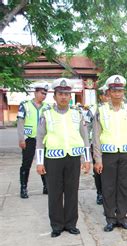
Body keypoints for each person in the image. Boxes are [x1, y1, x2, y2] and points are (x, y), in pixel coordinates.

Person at [35, 78, 91, 237]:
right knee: (55, 192)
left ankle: (71, 223)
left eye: (67, 94)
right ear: (55, 96)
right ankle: (57, 225)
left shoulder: (77, 114)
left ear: (70, 96)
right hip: (53, 159)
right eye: (60, 94)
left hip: (73, 158)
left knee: (72, 191)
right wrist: (39, 162)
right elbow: (40, 140)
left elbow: (85, 137)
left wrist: (86, 160)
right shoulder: (47, 115)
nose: (64, 97)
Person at [93, 75, 127, 232]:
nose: (117, 94)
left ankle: (122, 217)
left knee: (125, 187)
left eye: (120, 90)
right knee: (108, 187)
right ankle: (110, 219)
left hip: (125, 154)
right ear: (109, 92)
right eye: (114, 90)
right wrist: (97, 159)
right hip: (108, 155)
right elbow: (96, 137)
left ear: (123, 92)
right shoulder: (101, 111)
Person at [17, 82, 49, 198]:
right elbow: (20, 123)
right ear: (35, 93)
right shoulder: (25, 105)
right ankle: (23, 188)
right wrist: (21, 139)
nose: (43, 96)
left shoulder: (47, 107)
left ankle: (46, 186)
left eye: (45, 94)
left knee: (45, 164)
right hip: (29, 140)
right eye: (41, 93)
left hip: (43, 140)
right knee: (26, 164)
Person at [85, 85, 108, 205]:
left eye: (108, 94)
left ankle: (108, 193)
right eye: (105, 95)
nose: (107, 97)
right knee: (98, 171)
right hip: (96, 145)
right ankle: (100, 193)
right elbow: (87, 127)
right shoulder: (92, 110)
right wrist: (89, 143)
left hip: (110, 146)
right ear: (101, 96)